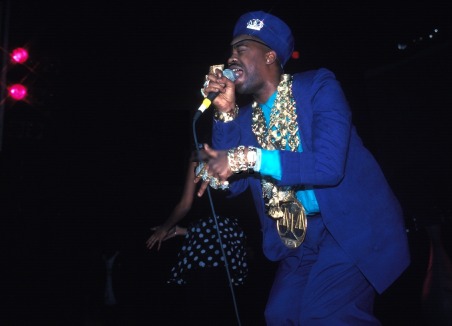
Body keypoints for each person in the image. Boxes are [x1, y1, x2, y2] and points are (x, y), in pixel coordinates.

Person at [195, 10, 411, 325]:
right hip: (298, 236)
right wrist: (225, 113)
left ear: (270, 56)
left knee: (325, 315)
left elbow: (328, 166)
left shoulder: (317, 87)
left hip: (349, 224)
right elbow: (236, 185)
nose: (231, 58)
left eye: (241, 49)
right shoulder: (243, 118)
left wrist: (250, 157)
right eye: (230, 51)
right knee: (281, 315)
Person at [146, 151, 249, 325]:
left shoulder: (200, 154)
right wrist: (181, 231)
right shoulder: (236, 151)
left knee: (204, 307)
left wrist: (165, 228)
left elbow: (185, 205)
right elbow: (216, 221)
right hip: (224, 239)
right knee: (217, 306)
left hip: (213, 244)